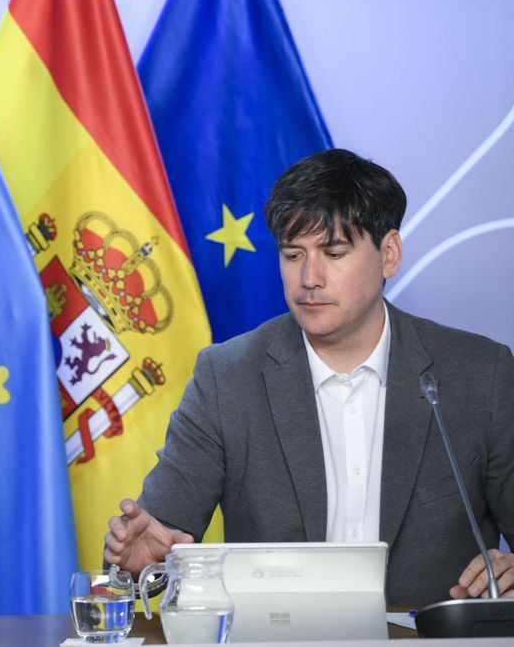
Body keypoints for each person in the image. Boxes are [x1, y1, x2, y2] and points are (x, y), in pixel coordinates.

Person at [104, 149, 514, 605]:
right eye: (292, 254)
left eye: (333, 253)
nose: (309, 277)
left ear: (389, 255)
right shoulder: (227, 378)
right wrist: (140, 566)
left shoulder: (480, 374)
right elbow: (157, 539)